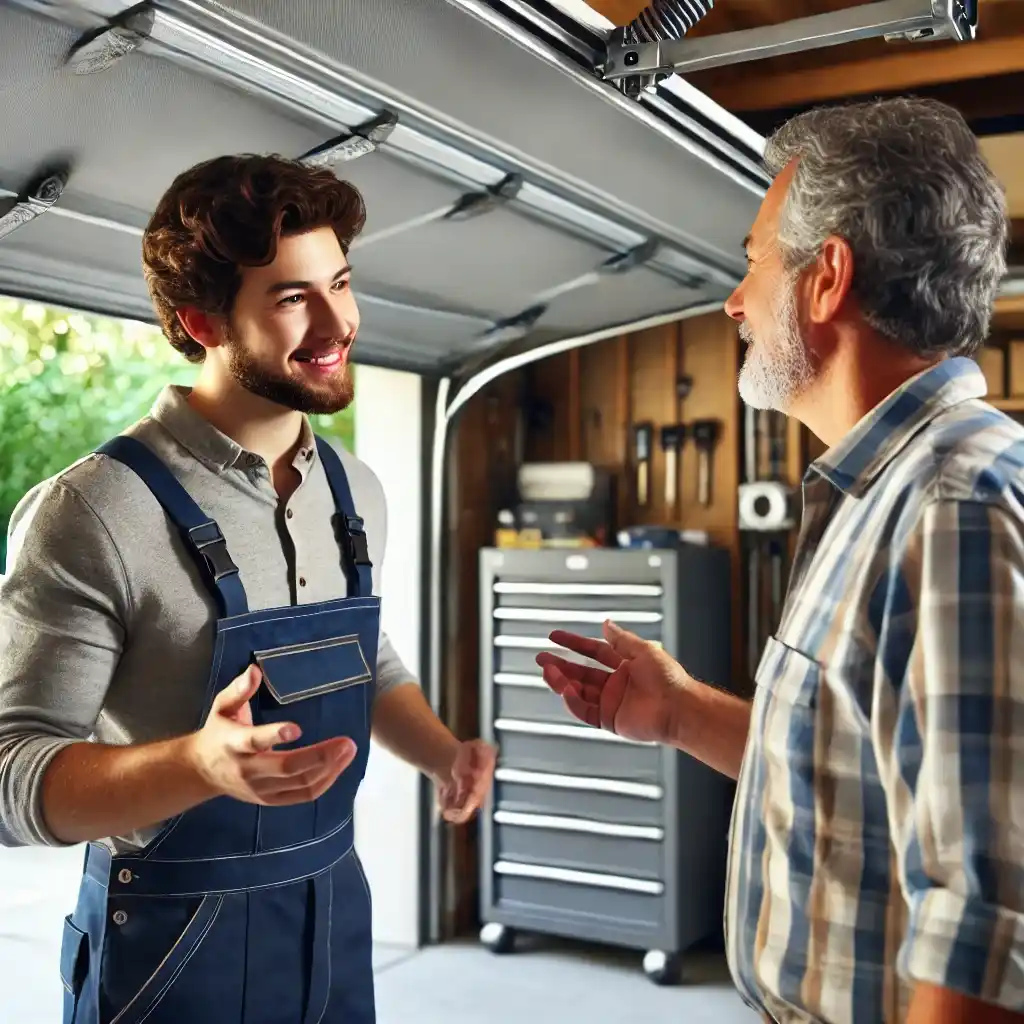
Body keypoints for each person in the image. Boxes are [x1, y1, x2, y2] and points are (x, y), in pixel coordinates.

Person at [538, 96, 1024, 1024]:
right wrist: (680, 712)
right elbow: (858, 772)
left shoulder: (952, 504)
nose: (734, 300)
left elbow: (989, 940)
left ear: (826, 278)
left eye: (754, 261)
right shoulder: (883, 492)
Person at [0, 153, 496, 1024]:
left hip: (334, 911)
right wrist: (199, 763)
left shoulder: (356, 489)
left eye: (339, 282)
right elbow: (12, 777)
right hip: (169, 943)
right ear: (201, 321)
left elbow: (361, 655)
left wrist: (443, 753)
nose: (337, 322)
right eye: (292, 297)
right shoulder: (94, 512)